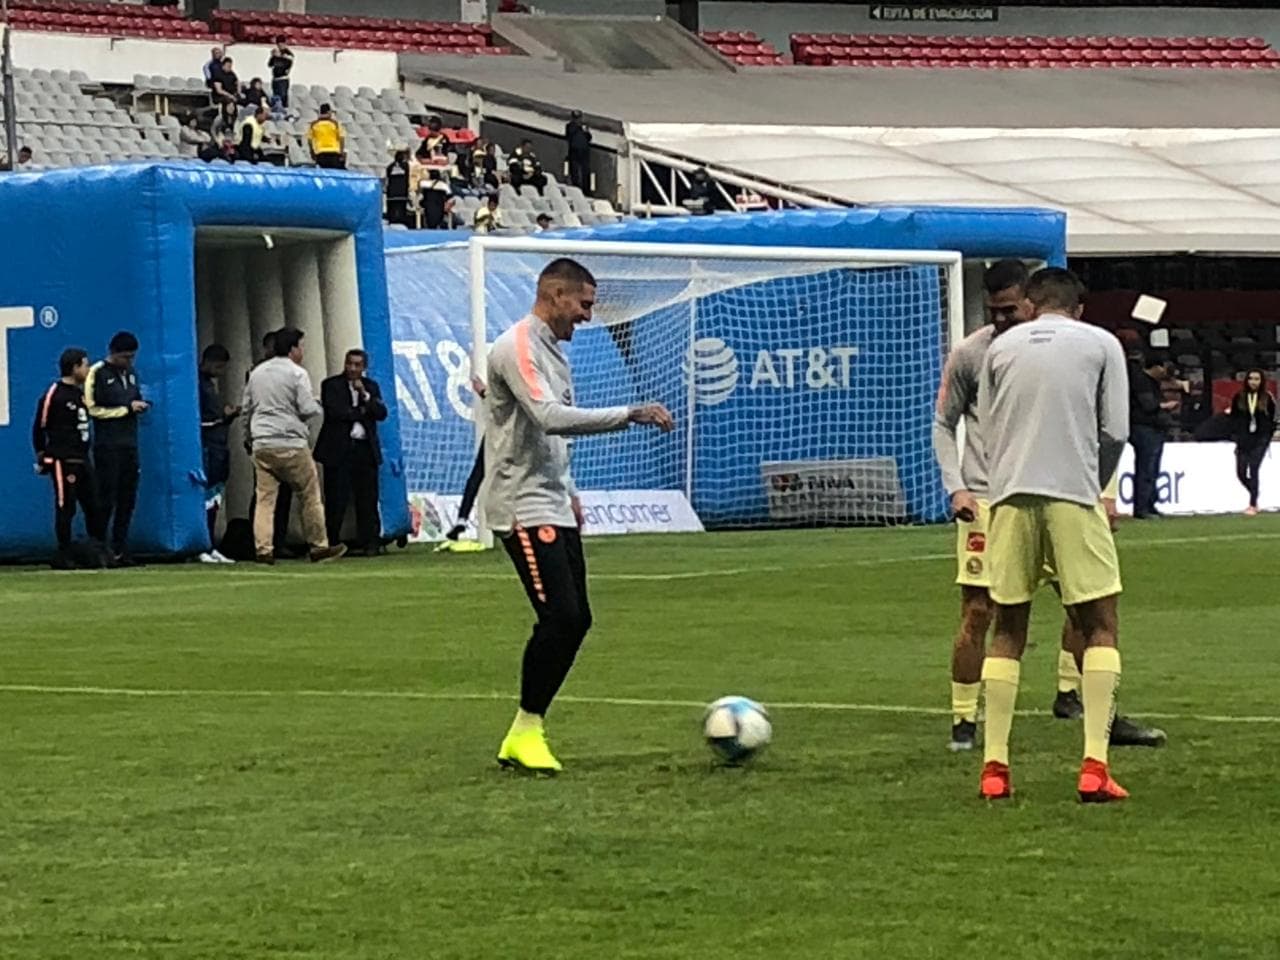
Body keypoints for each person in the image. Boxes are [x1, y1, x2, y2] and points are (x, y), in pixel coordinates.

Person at [933, 260, 1162, 753]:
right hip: (993, 497)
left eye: (1010, 309)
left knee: (1082, 607)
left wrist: (1102, 492)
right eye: (994, 311)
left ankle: (1078, 701)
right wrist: (957, 487)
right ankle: (964, 721)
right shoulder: (973, 353)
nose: (1002, 319)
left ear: (1031, 302)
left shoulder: (1048, 347)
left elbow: (1096, 426)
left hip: (1053, 491)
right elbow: (945, 422)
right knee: (982, 611)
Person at [485, 258, 675, 773]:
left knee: (577, 619)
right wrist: (629, 413)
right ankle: (525, 731)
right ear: (556, 294)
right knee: (562, 617)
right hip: (522, 505)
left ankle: (525, 731)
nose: (588, 316)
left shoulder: (553, 352)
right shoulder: (517, 347)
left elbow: (550, 436)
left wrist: (568, 489)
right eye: (584, 304)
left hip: (551, 499)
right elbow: (548, 417)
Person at [975, 267, 1131, 803]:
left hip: (1010, 496)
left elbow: (989, 427)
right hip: (1072, 494)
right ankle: (1094, 765)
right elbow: (1116, 430)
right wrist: (1091, 479)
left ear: (1030, 304)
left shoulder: (1000, 348)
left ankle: (995, 768)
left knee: (1007, 628)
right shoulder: (1101, 343)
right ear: (1078, 308)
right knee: (1099, 624)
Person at [241, 329, 346, 565]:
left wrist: (248, 438)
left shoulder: (257, 373)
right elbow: (306, 409)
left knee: (265, 499)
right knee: (309, 495)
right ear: (292, 349)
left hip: (263, 442)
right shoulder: (297, 373)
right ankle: (318, 545)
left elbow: (247, 409)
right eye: (301, 346)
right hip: (291, 442)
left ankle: (263, 549)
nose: (302, 351)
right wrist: (318, 405)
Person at [33, 348, 106, 569]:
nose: (87, 369)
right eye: (85, 365)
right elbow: (40, 426)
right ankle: (63, 553)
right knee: (66, 506)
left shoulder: (79, 394)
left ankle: (97, 551)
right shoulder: (54, 394)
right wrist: (43, 455)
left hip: (82, 458)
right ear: (75, 367)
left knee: (94, 505)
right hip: (62, 461)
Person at [314, 349, 388, 556]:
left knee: (367, 499)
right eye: (350, 364)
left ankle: (370, 541)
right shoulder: (331, 385)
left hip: (364, 449)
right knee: (336, 499)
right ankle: (332, 541)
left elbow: (381, 413)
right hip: (339, 449)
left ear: (364, 367)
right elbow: (336, 412)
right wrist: (363, 412)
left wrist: (364, 396)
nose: (353, 369)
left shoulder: (371, 386)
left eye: (357, 365)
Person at [85, 332, 148, 566]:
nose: (129, 361)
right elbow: (91, 408)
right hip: (107, 445)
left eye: (132, 357)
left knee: (127, 498)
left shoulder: (131, 374)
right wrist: (125, 410)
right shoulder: (97, 372)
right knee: (106, 497)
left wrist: (140, 406)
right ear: (113, 352)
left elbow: (134, 398)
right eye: (125, 357)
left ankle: (121, 547)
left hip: (129, 444)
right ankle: (100, 547)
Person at [199, 344, 239, 564]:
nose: (221, 372)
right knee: (206, 497)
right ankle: (203, 543)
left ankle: (210, 543)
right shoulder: (197, 384)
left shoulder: (208, 385)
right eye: (219, 367)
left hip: (219, 444)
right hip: (209, 446)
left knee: (215, 497)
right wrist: (222, 417)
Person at [1128, 351, 1177, 519]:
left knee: (1151, 468)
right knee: (1147, 468)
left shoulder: (1147, 382)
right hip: (1145, 427)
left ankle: (1149, 504)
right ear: (1156, 367)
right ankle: (1142, 507)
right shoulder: (1142, 382)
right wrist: (1165, 406)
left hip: (1149, 427)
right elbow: (1148, 405)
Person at [1229, 368, 1276, 516]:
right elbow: (1234, 418)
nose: (1253, 382)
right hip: (1244, 439)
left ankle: (1252, 504)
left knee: (1254, 468)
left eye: (1257, 379)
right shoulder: (1239, 397)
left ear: (1261, 381)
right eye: (1251, 379)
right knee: (1241, 472)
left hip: (1260, 439)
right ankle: (1254, 492)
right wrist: (1236, 436)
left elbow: (1272, 418)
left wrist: (1268, 435)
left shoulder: (1267, 397)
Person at [308, 104, 346, 169]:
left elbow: (309, 140)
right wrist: (341, 153)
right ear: (328, 112)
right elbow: (341, 138)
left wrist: (312, 152)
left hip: (320, 153)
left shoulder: (313, 124)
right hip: (334, 153)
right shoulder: (335, 124)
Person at [565, 109, 592, 192]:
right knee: (575, 172)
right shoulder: (570, 126)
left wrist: (586, 131)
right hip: (574, 152)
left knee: (585, 172)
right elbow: (569, 136)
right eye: (576, 118)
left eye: (579, 118)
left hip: (584, 152)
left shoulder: (583, 128)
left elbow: (589, 138)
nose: (577, 120)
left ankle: (586, 189)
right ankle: (575, 188)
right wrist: (579, 128)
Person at [385, 149, 411, 226]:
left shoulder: (390, 166)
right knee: (400, 208)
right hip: (401, 192)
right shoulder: (405, 166)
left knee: (393, 208)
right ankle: (399, 220)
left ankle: (392, 220)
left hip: (392, 192)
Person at [267, 37, 294, 108]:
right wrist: (272, 56)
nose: (280, 46)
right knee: (275, 98)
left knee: (282, 97)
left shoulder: (288, 54)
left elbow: (286, 63)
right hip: (275, 78)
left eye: (281, 44)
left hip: (283, 79)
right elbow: (270, 64)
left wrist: (280, 56)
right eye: (278, 44)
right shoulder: (275, 53)